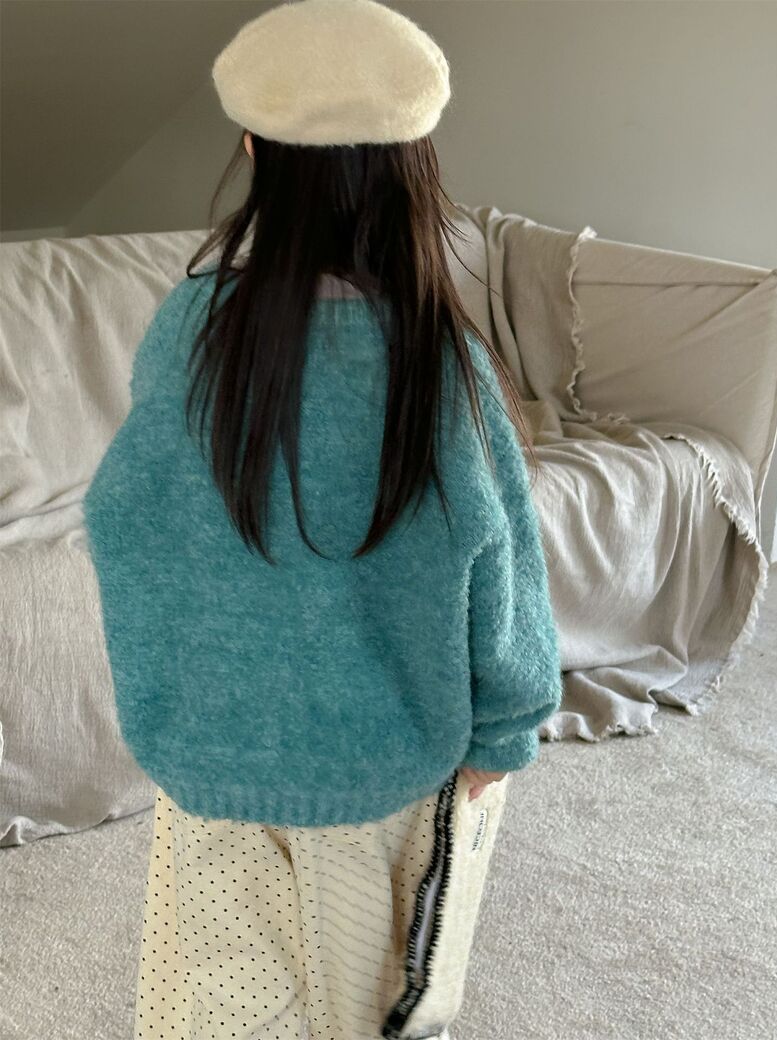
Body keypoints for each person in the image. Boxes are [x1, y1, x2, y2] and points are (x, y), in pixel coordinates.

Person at [81, 2, 563, 1038]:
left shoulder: (190, 332)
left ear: (255, 149)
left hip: (213, 765)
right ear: (414, 166)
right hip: (388, 771)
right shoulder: (442, 359)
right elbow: (505, 571)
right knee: (373, 1001)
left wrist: (174, 705)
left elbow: (130, 528)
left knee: (222, 1007)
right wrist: (503, 732)